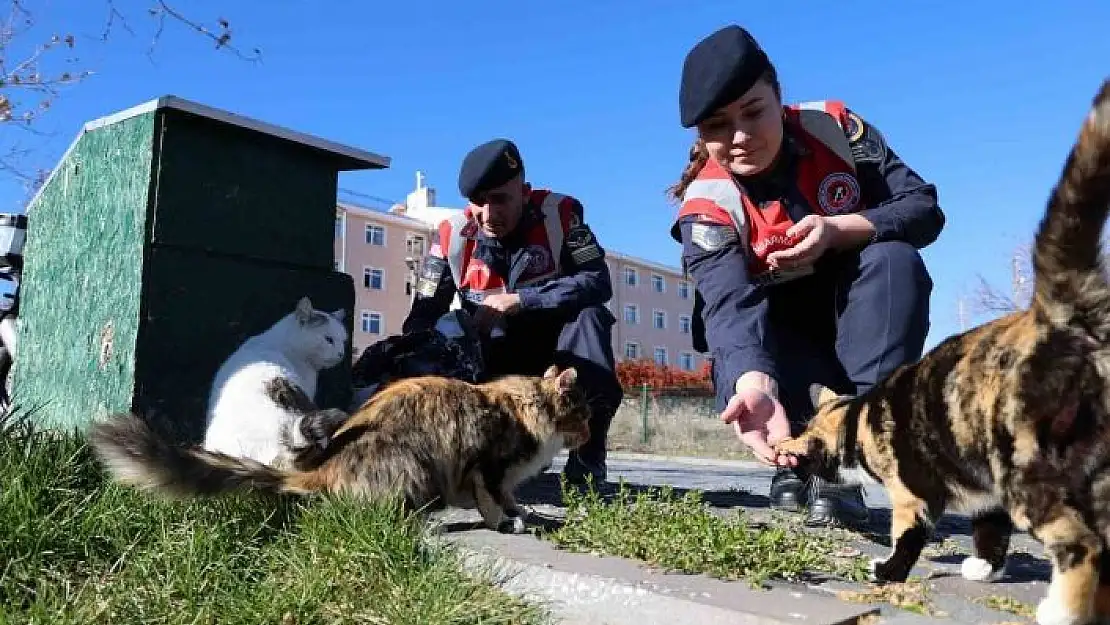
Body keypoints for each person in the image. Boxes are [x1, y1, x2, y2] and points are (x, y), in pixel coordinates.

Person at [668, 25, 945, 527]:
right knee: (760, 361)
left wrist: (840, 230)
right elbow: (729, 310)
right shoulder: (705, 206)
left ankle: (848, 450)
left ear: (779, 95)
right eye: (717, 126)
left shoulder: (834, 130)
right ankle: (796, 455)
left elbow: (922, 207)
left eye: (754, 112)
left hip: (859, 316)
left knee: (894, 260)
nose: (741, 138)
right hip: (778, 339)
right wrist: (754, 387)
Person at [402, 138, 623, 487]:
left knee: (591, 317)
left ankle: (588, 458)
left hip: (557, 352)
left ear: (525, 191)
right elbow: (422, 316)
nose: (488, 214)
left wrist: (522, 299)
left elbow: (598, 281)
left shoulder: (562, 216)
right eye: (478, 201)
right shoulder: (450, 237)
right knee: (437, 338)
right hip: (491, 357)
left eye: (500, 199)